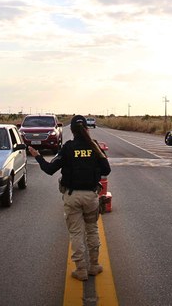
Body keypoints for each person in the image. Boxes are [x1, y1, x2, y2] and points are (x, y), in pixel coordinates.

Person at [28, 114, 111, 281]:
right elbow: (106, 170)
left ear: (72, 130)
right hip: (91, 196)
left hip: (72, 196)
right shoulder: (94, 147)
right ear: (87, 128)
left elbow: (50, 169)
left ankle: (80, 269)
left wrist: (37, 155)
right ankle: (94, 266)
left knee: (76, 233)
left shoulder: (68, 148)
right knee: (92, 230)